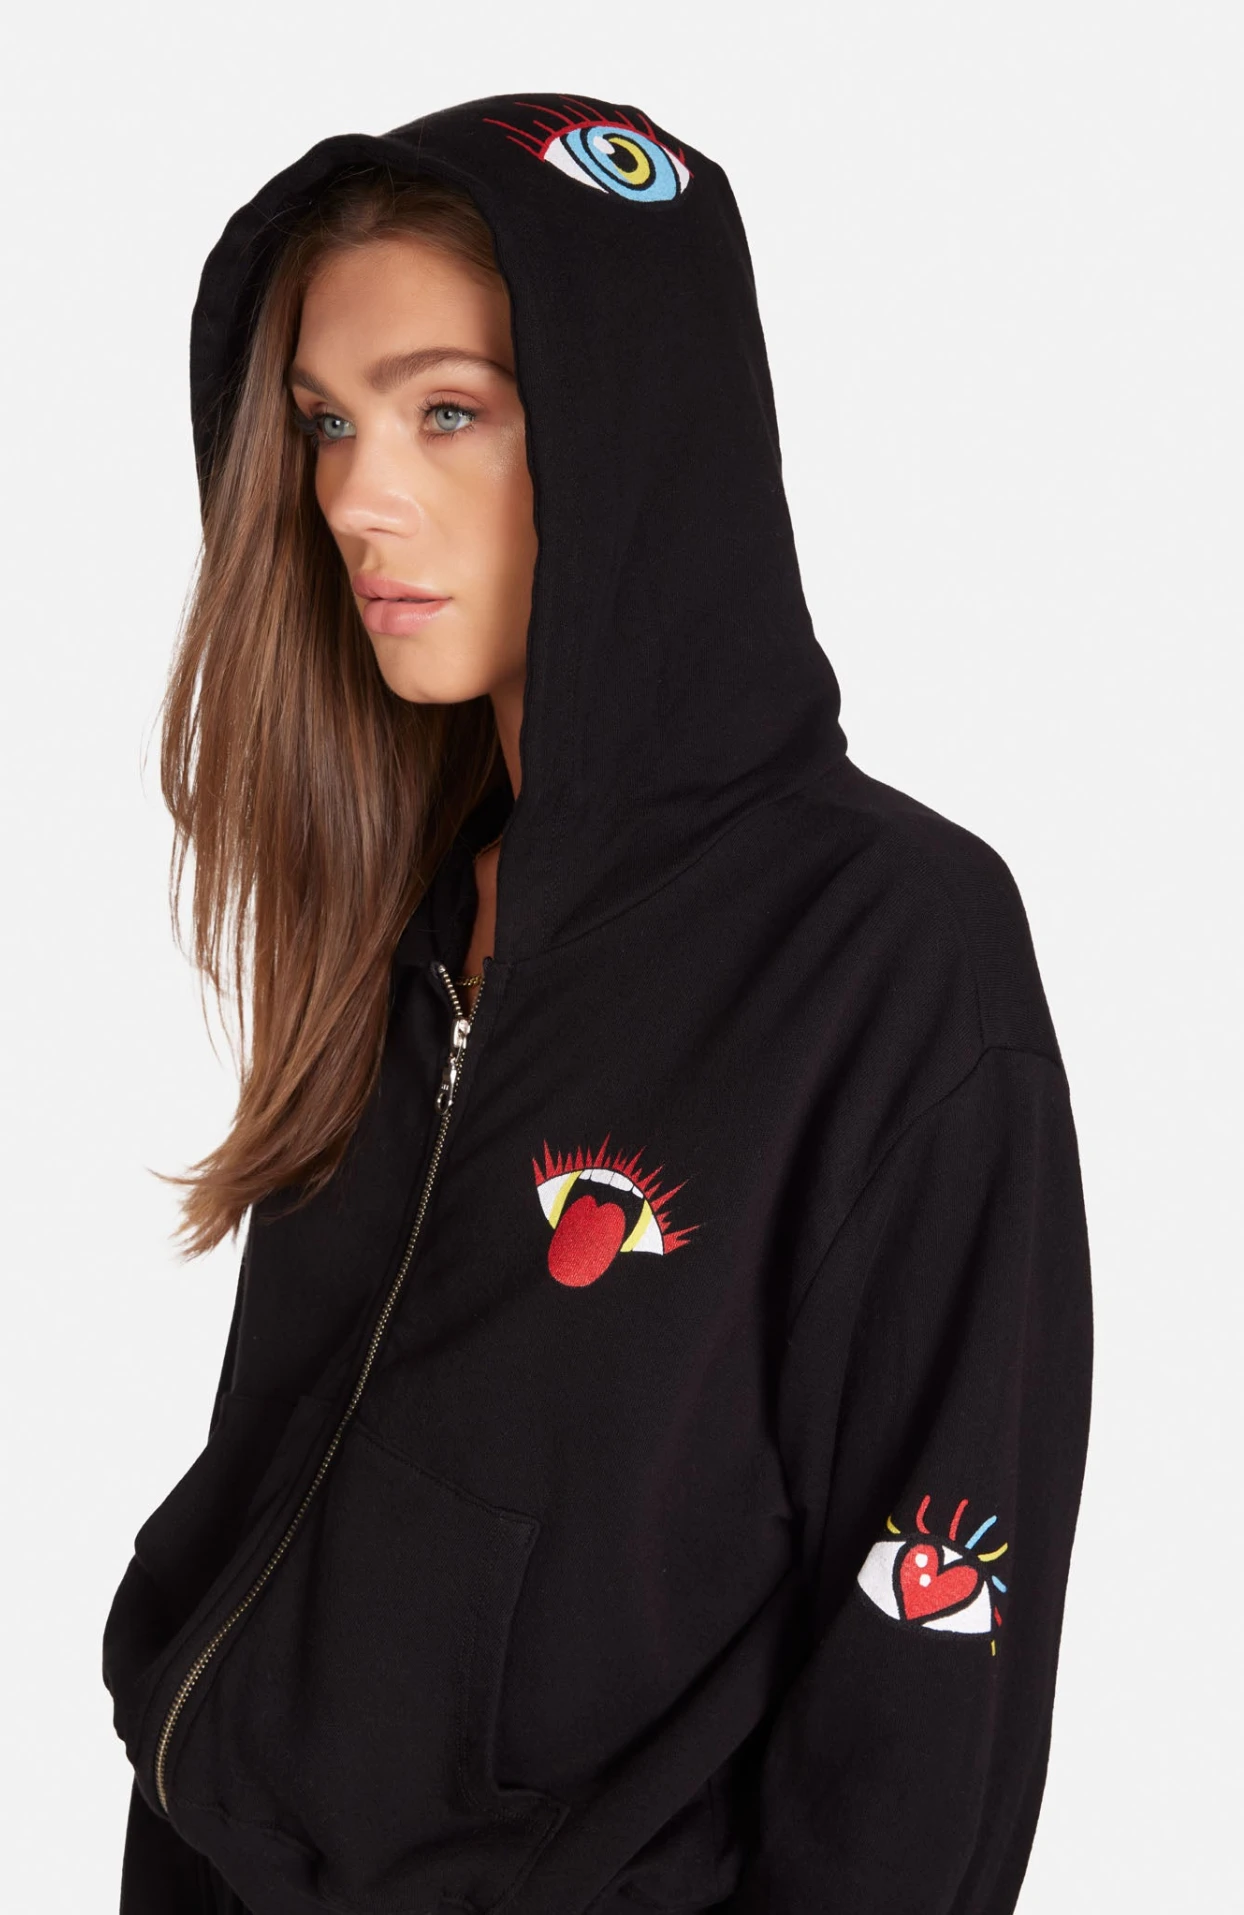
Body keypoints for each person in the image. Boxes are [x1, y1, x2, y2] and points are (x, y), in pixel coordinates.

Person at [103, 91, 1093, 1915]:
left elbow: (926, 1694)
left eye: (447, 410)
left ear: (641, 431)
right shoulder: (407, 904)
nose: (355, 497)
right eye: (326, 422)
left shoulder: (888, 948)